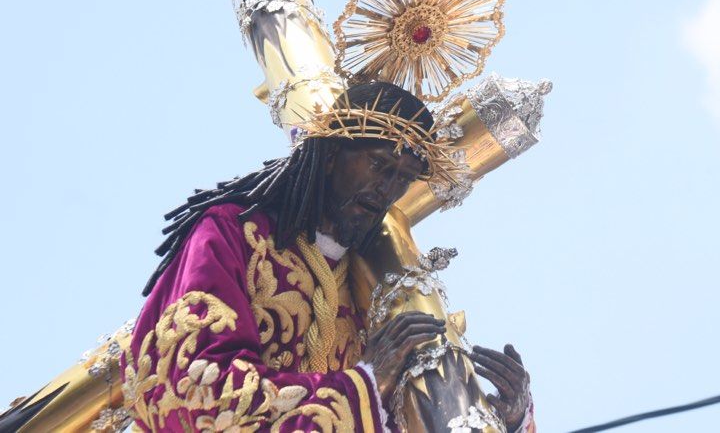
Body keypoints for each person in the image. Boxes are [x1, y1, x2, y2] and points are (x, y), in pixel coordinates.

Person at [122, 82, 533, 432]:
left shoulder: (369, 290)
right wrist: (364, 384)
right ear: (333, 153)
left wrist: (505, 416)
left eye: (404, 179)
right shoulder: (234, 233)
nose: (387, 190)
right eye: (379, 164)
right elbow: (189, 385)